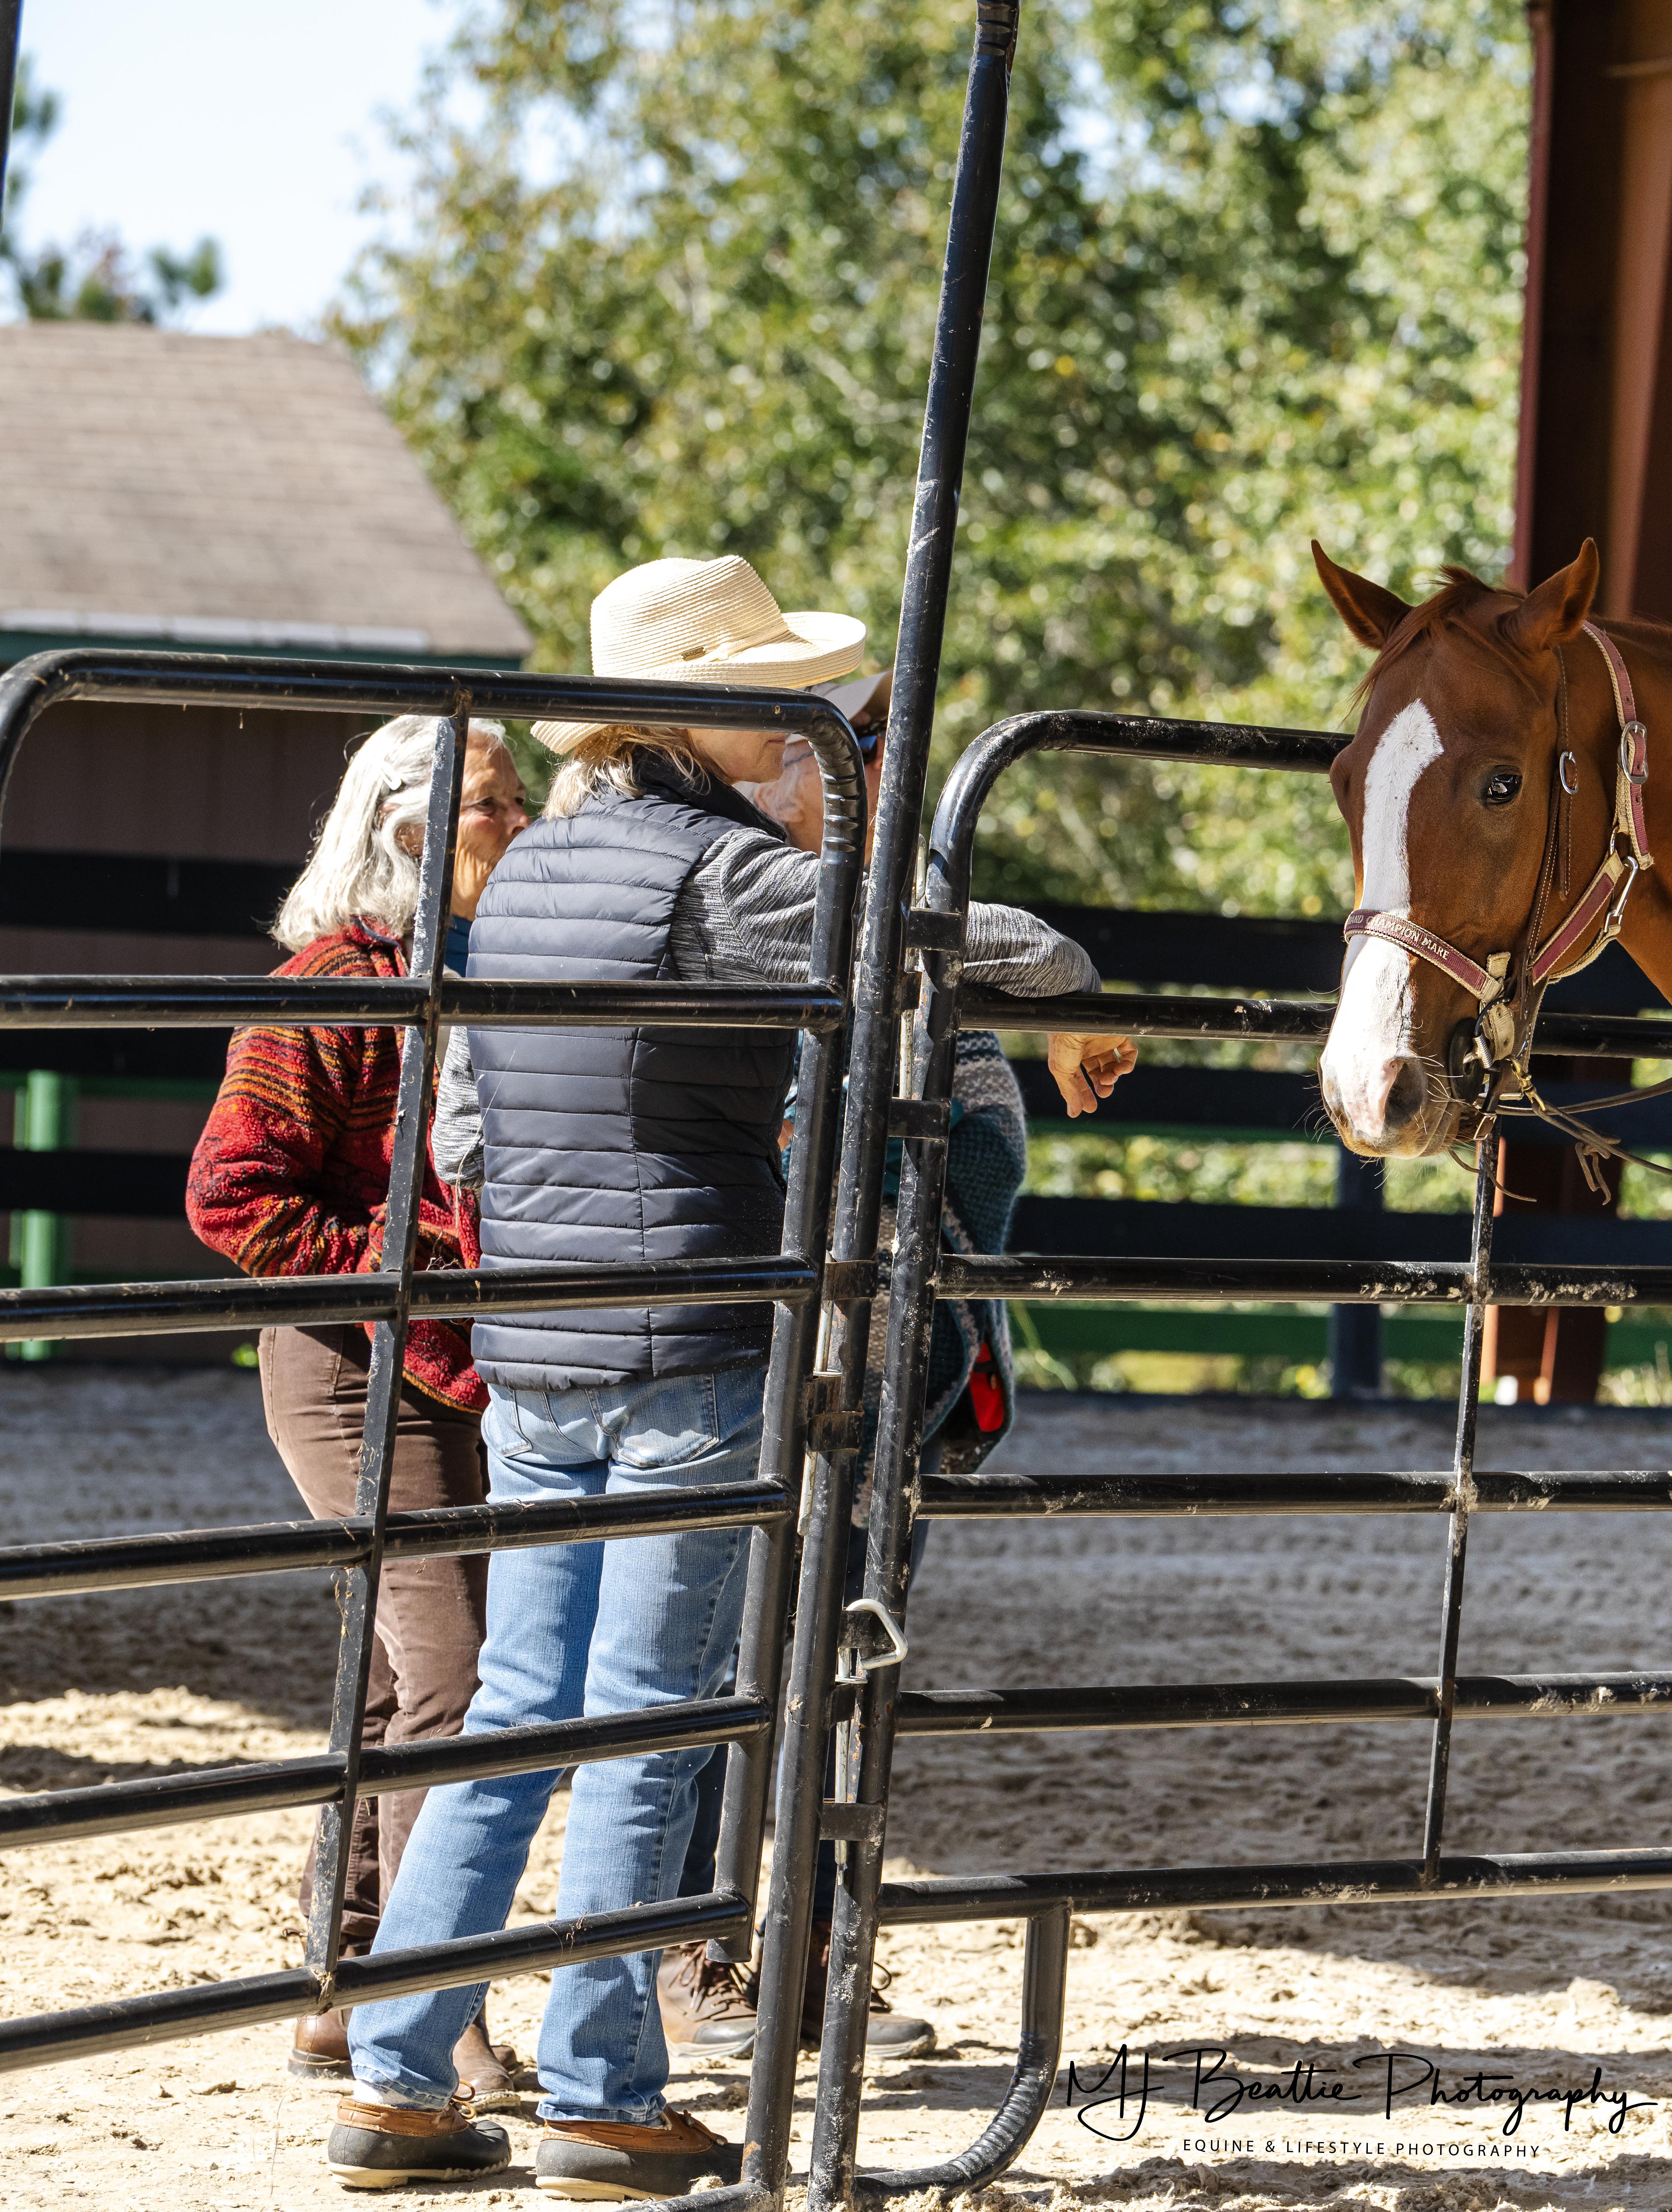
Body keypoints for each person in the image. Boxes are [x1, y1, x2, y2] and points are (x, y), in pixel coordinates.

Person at [322, 555, 1134, 2198]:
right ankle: (603, 2090)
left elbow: (471, 1126)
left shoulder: (531, 870)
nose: (812, 745)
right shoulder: (722, 876)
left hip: (537, 1344)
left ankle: (401, 2072)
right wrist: (1061, 976)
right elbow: (1007, 947)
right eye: (795, 719)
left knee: (516, 1712)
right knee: (654, 1721)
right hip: (692, 1345)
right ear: (727, 724)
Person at [657, 666, 1037, 2067]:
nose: (866, 766)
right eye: (845, 742)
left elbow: (976, 1085)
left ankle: (813, 1947)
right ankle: (694, 1959)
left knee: (839, 1646)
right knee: (725, 1648)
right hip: (774, 1328)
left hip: (893, 1334)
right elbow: (802, 1127)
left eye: (872, 741)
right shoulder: (753, 900)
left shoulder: (882, 900)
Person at [185, 715, 530, 2095]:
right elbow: (233, 1194)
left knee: (398, 1675)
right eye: (495, 807)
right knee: (456, 1671)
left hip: (425, 1352)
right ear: (410, 831)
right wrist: (418, 1274)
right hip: (347, 1362)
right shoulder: (331, 986)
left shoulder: (466, 974)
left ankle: (344, 1983)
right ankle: (428, 2004)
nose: (520, 826)